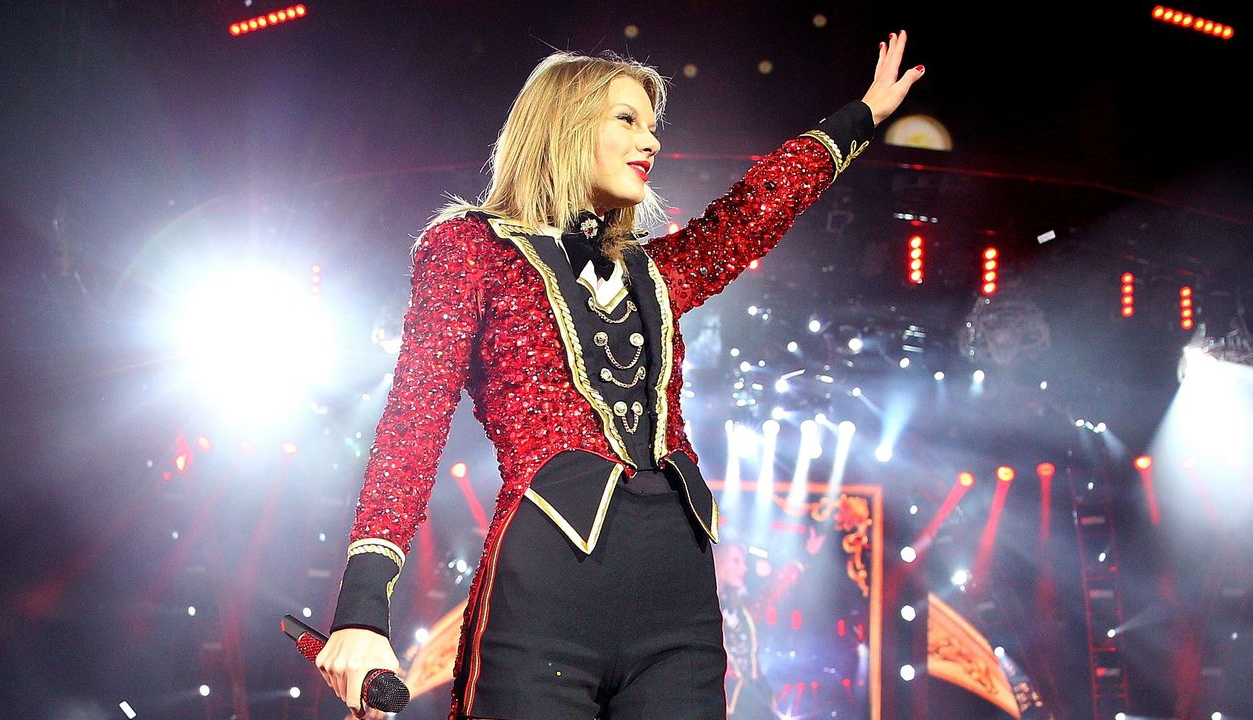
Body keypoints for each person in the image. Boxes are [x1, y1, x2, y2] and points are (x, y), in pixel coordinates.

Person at [316, 31, 922, 720]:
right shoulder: (469, 248)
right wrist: (362, 609)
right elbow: (413, 421)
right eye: (628, 120)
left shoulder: (656, 273)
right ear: (566, 127)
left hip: (681, 608)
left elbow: (755, 209)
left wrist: (862, 116)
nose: (651, 142)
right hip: (545, 600)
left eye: (654, 127)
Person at [715, 530, 827, 719]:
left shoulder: (744, 611)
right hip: (723, 702)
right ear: (718, 561)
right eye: (735, 561)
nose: (744, 568)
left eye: (743, 563)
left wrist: (805, 557)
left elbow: (774, 590)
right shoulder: (703, 609)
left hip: (752, 699)